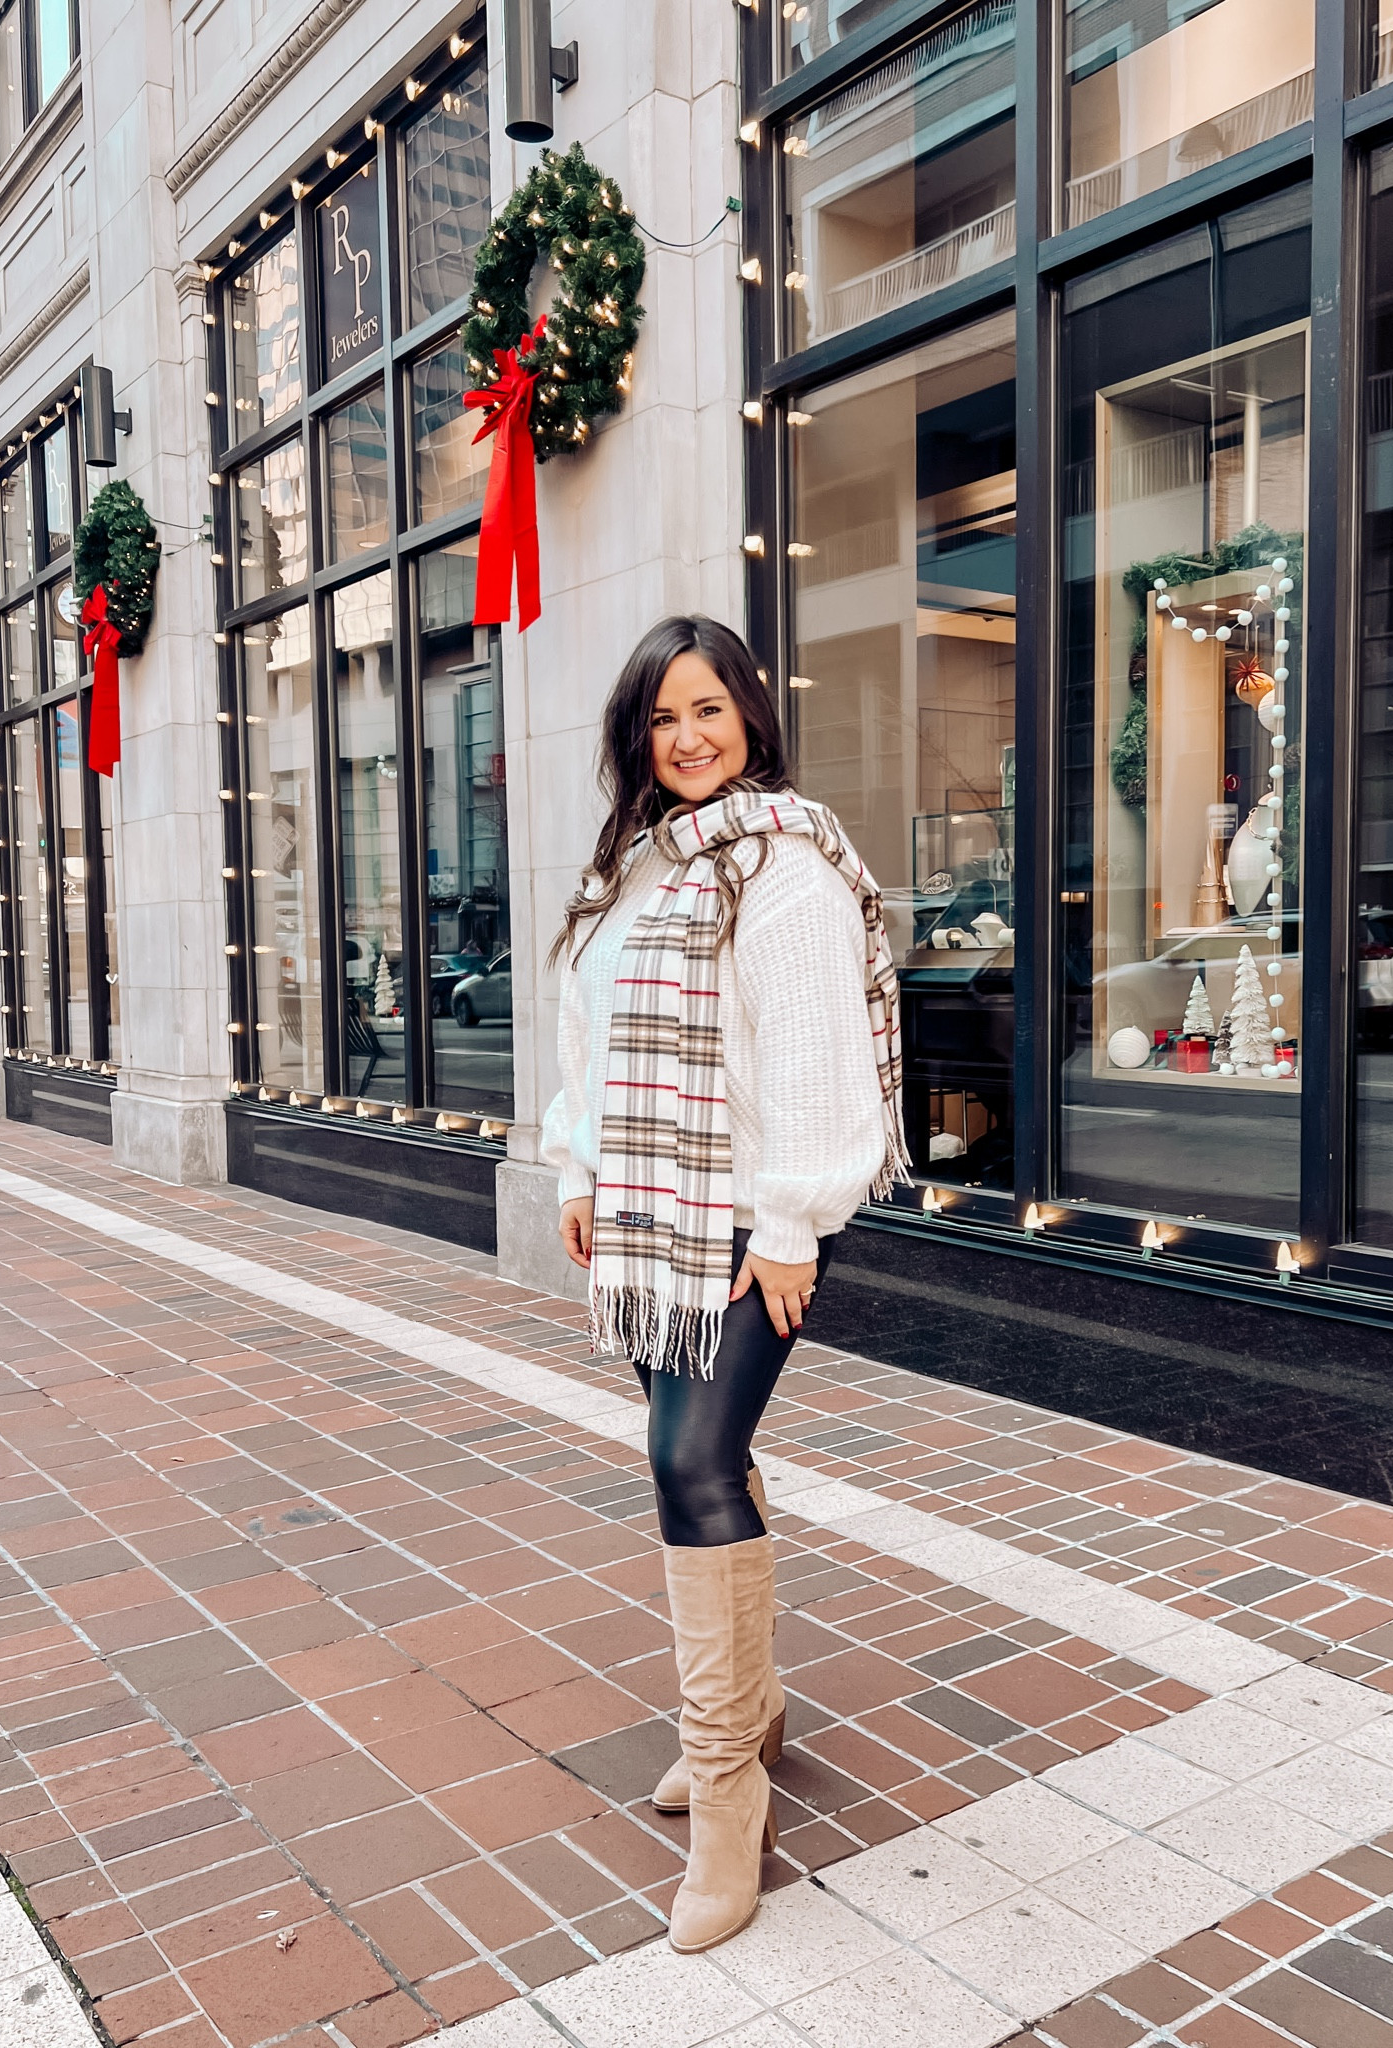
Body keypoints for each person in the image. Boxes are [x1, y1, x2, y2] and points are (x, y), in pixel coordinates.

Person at [542, 615, 908, 1953]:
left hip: (755, 1224)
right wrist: (573, 1171)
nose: (689, 738)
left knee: (693, 1458)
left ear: (751, 713)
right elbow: (583, 1035)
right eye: (663, 718)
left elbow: (813, 1060)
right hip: (646, 1219)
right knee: (702, 1457)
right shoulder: (633, 870)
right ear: (637, 737)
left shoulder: (786, 865)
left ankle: (731, 1791)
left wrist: (797, 1224)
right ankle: (744, 1714)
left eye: (710, 710)